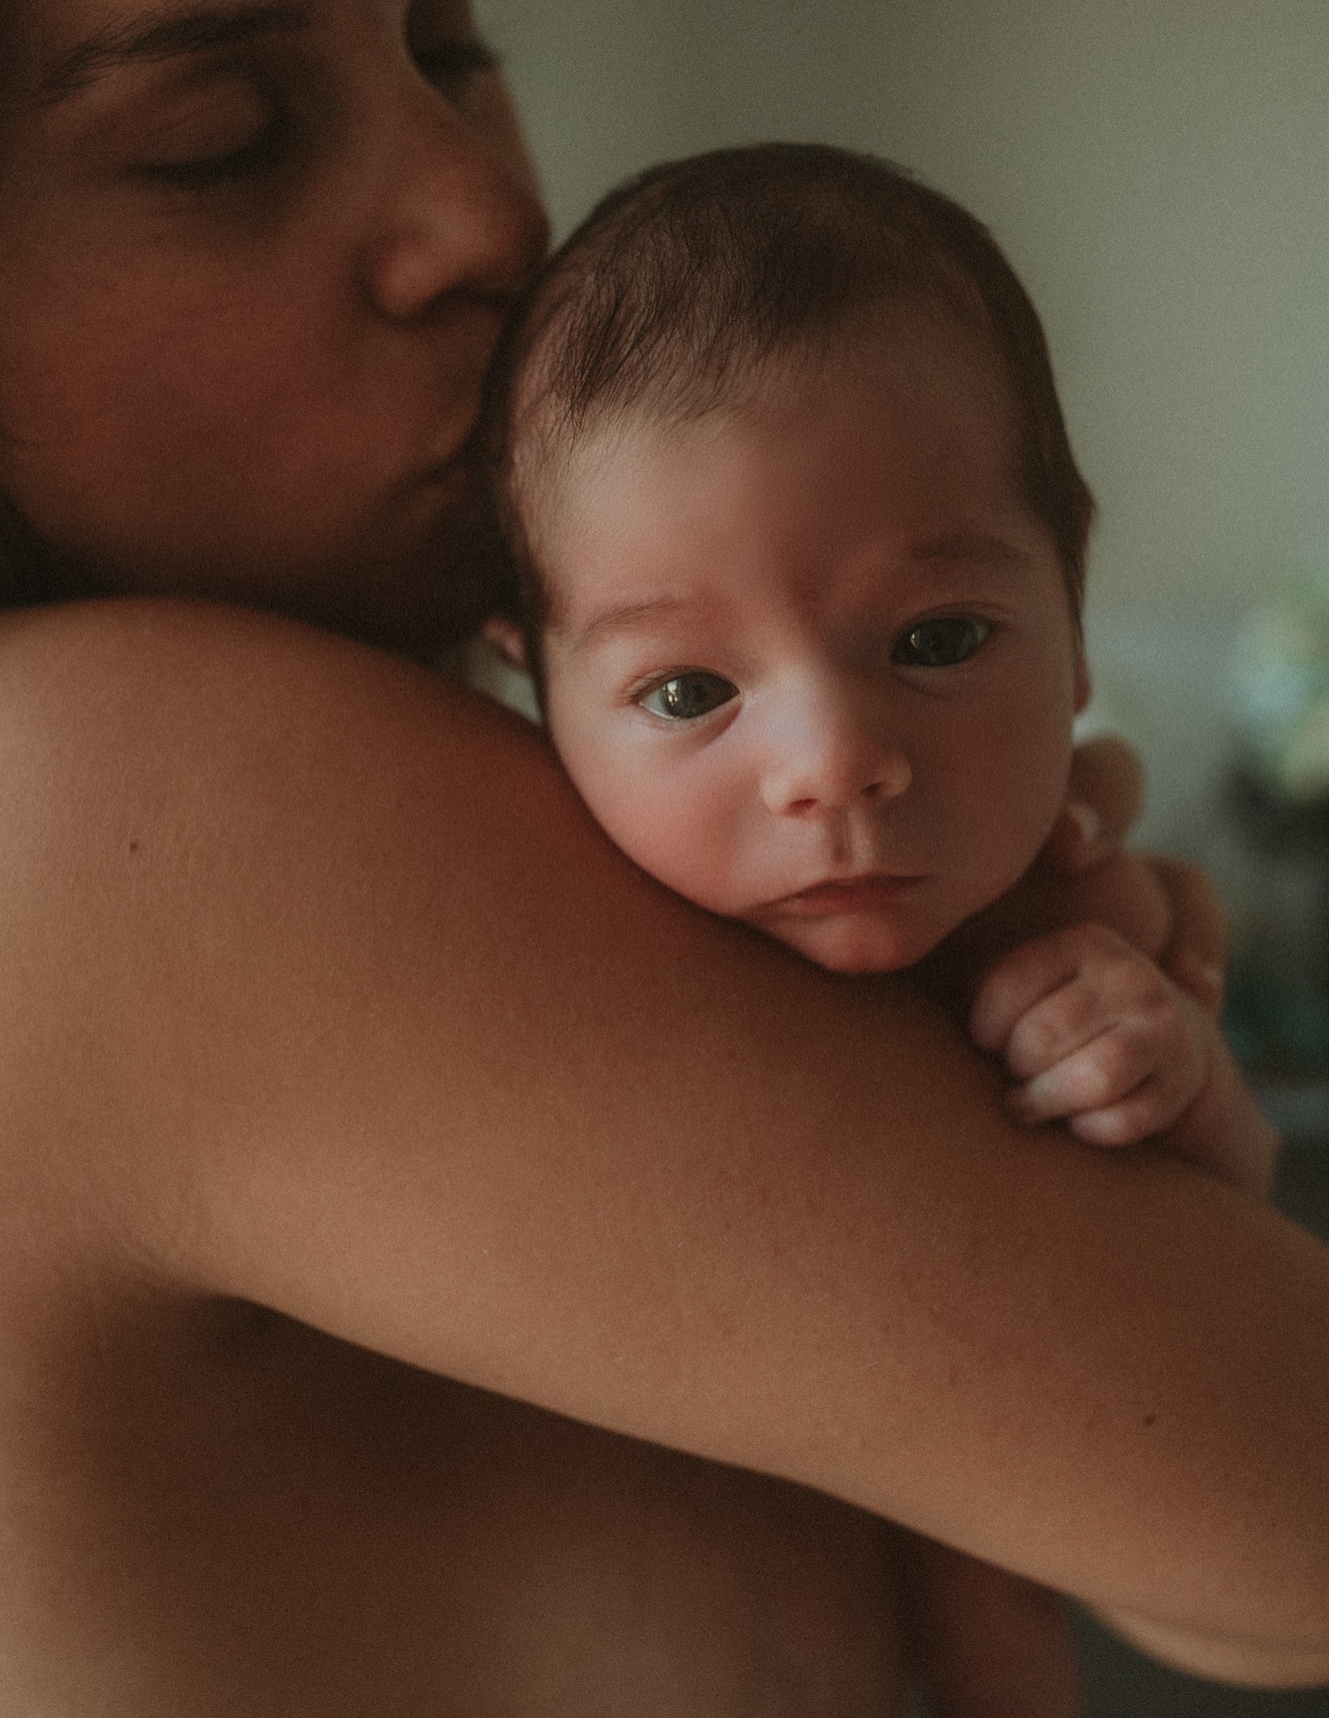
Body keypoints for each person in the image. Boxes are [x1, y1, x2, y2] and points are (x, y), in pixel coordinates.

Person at [0, 0, 1326, 1712]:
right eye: (222, 142)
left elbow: (1213, 1576)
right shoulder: (88, 793)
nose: (483, 215)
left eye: (446, 37)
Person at [480, 143, 1279, 1713]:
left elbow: (1235, 1236)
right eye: (688, 693)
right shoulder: (529, 917)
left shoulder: (1064, 910)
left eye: (939, 638)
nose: (835, 758)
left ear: (1073, 617)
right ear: (536, 690)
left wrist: (1164, 1072)